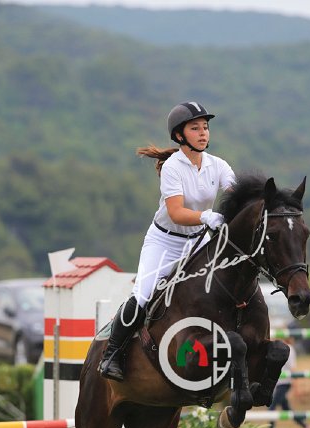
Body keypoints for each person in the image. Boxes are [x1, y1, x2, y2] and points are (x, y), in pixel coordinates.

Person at [99, 101, 236, 381]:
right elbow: (176, 213)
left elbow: (237, 195)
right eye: (195, 128)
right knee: (143, 294)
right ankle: (112, 354)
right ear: (179, 135)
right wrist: (206, 216)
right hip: (165, 242)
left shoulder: (218, 165)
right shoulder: (173, 167)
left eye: (205, 127)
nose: (203, 133)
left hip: (197, 242)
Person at [268, 338, 310, 428]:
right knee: (287, 409)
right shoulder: (276, 348)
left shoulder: (289, 349)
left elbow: (293, 369)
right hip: (278, 384)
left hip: (285, 383)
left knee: (272, 407)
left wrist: (296, 387)